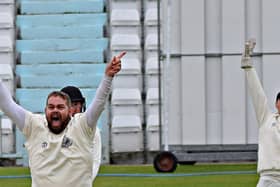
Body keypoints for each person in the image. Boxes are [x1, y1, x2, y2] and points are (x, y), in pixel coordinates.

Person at [0, 51, 126, 187]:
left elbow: (99, 102)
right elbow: (7, 104)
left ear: (69, 110)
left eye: (60, 107)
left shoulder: (82, 126)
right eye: (51, 107)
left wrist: (108, 77)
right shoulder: (34, 125)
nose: (55, 110)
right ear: (45, 110)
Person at [241, 39, 280, 187]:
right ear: (276, 103)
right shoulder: (266, 119)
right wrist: (248, 66)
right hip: (268, 178)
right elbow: (257, 94)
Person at [60, 85, 102, 182]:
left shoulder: (92, 131)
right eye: (69, 105)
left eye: (75, 104)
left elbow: (95, 161)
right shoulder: (51, 129)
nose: (73, 109)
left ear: (81, 105)